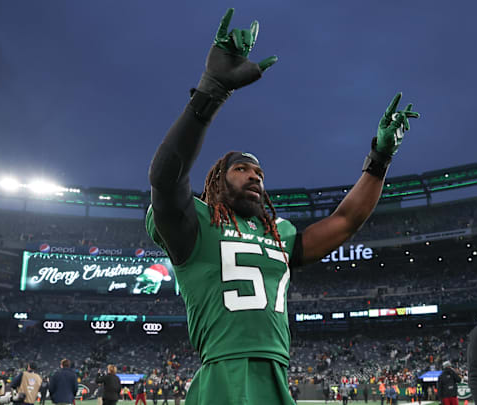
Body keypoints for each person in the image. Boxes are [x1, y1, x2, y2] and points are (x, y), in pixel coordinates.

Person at [145, 7, 419, 405]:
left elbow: (345, 221)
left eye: (259, 172)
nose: (255, 176)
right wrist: (210, 92)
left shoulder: (280, 233)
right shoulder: (194, 225)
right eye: (241, 169)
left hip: (277, 375)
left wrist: (378, 160)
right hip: (224, 374)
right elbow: (165, 178)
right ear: (217, 183)